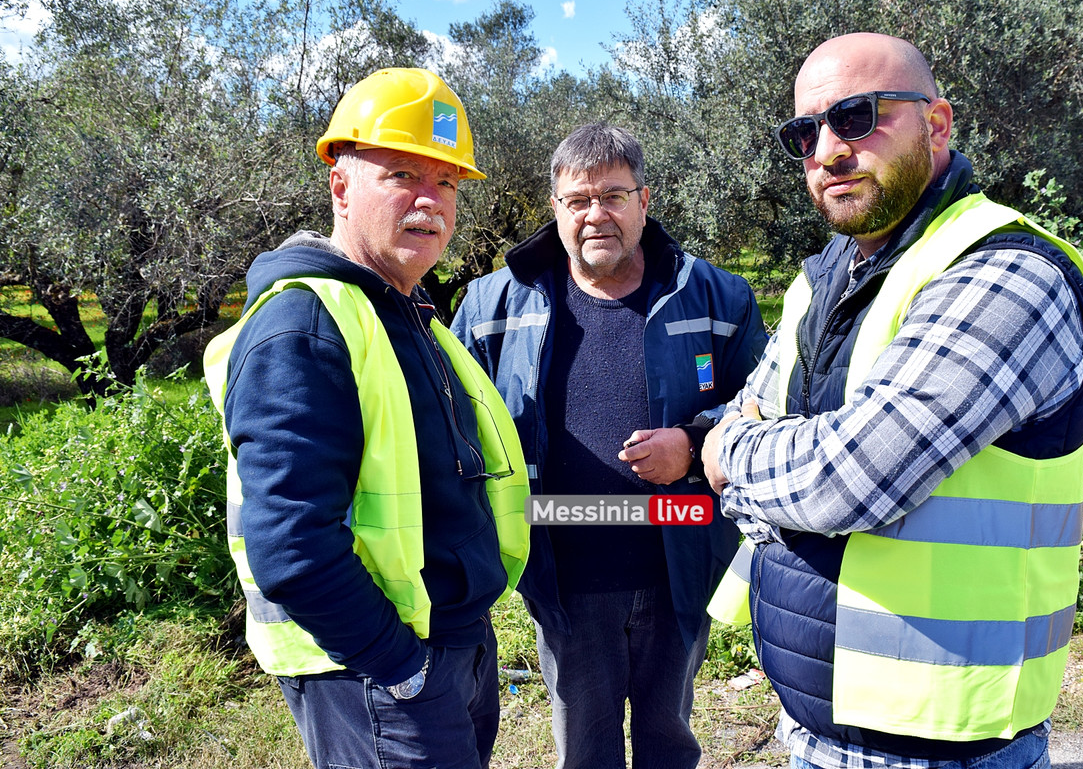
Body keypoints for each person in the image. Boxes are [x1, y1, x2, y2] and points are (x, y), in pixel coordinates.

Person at [701, 33, 1083, 769]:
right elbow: (760, 412)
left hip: (945, 743)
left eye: (856, 118)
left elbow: (847, 478)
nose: (826, 150)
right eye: (804, 133)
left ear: (936, 125)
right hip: (813, 726)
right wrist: (765, 454)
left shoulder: (1005, 274)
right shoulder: (825, 275)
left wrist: (727, 452)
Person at [201, 68, 529, 769]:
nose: (429, 199)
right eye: (402, 174)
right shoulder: (305, 322)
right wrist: (401, 667)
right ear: (341, 187)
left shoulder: (404, 311)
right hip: (376, 674)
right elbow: (291, 543)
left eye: (447, 182)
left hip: (451, 644)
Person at [451, 123, 767, 769]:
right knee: (585, 751)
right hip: (563, 576)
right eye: (578, 200)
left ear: (644, 202)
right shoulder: (491, 305)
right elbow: (456, 427)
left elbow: (765, 405)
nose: (596, 215)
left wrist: (693, 442)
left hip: (679, 562)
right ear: (556, 209)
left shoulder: (719, 296)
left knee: (668, 743)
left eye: (613, 196)